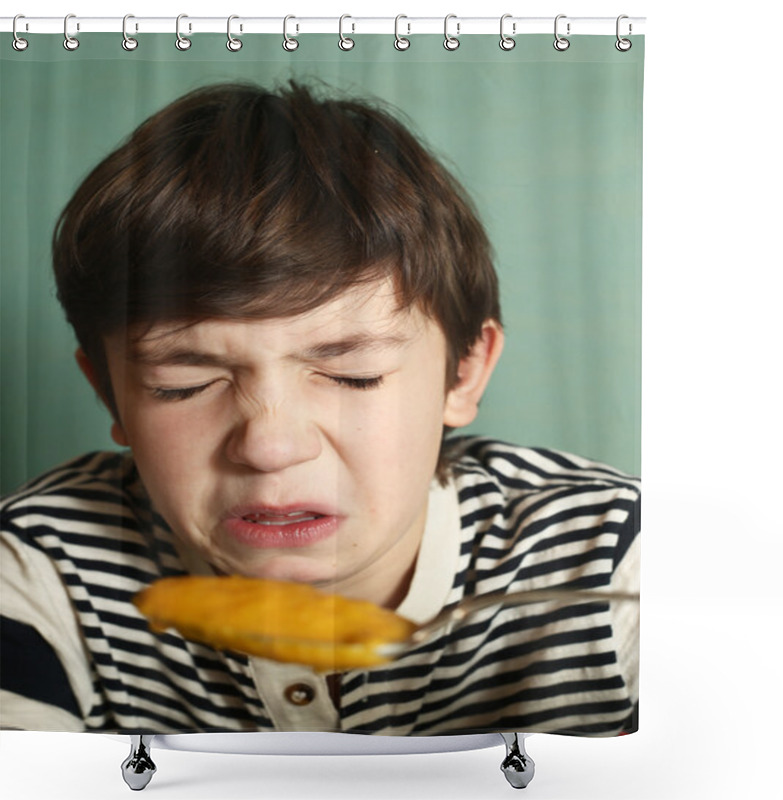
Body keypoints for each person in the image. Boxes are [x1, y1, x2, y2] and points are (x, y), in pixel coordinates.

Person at [1, 81, 640, 736]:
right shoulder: (37, 567)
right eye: (182, 384)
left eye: (351, 374)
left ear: (465, 372)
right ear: (109, 392)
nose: (269, 445)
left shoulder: (616, 558)